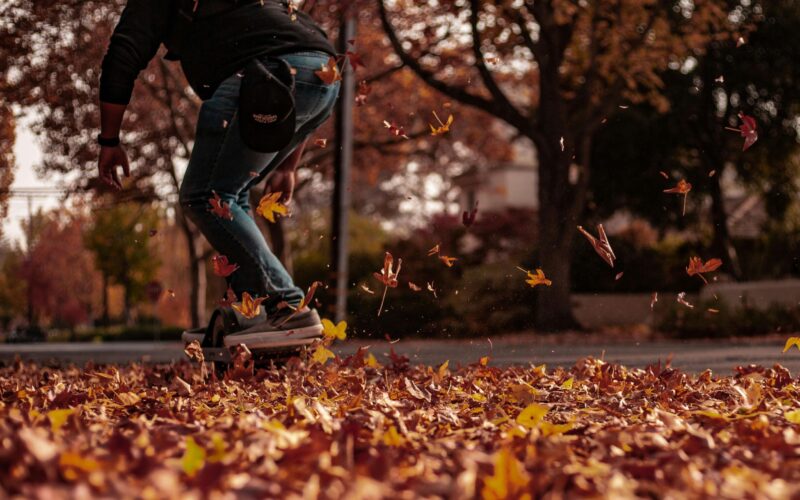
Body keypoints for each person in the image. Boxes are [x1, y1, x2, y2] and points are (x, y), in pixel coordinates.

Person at [97, 0, 340, 350]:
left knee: (205, 194)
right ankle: (250, 315)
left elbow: (124, 54)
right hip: (322, 74)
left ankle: (287, 305)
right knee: (230, 196)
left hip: (264, 73)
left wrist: (109, 139)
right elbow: (300, 56)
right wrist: (287, 166)